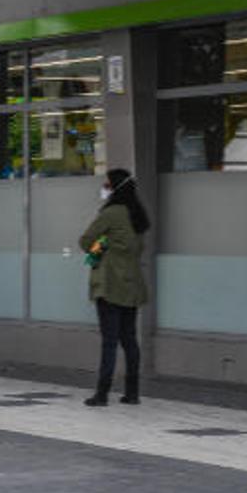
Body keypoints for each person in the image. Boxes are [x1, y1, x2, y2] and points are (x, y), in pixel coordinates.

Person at [79, 168, 150, 407]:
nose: (104, 188)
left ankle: (102, 393)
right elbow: (138, 249)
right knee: (129, 339)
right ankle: (133, 392)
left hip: (110, 285)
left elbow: (85, 241)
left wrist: (102, 246)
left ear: (116, 188)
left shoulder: (111, 213)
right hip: (132, 285)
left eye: (107, 184)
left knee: (109, 341)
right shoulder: (137, 214)